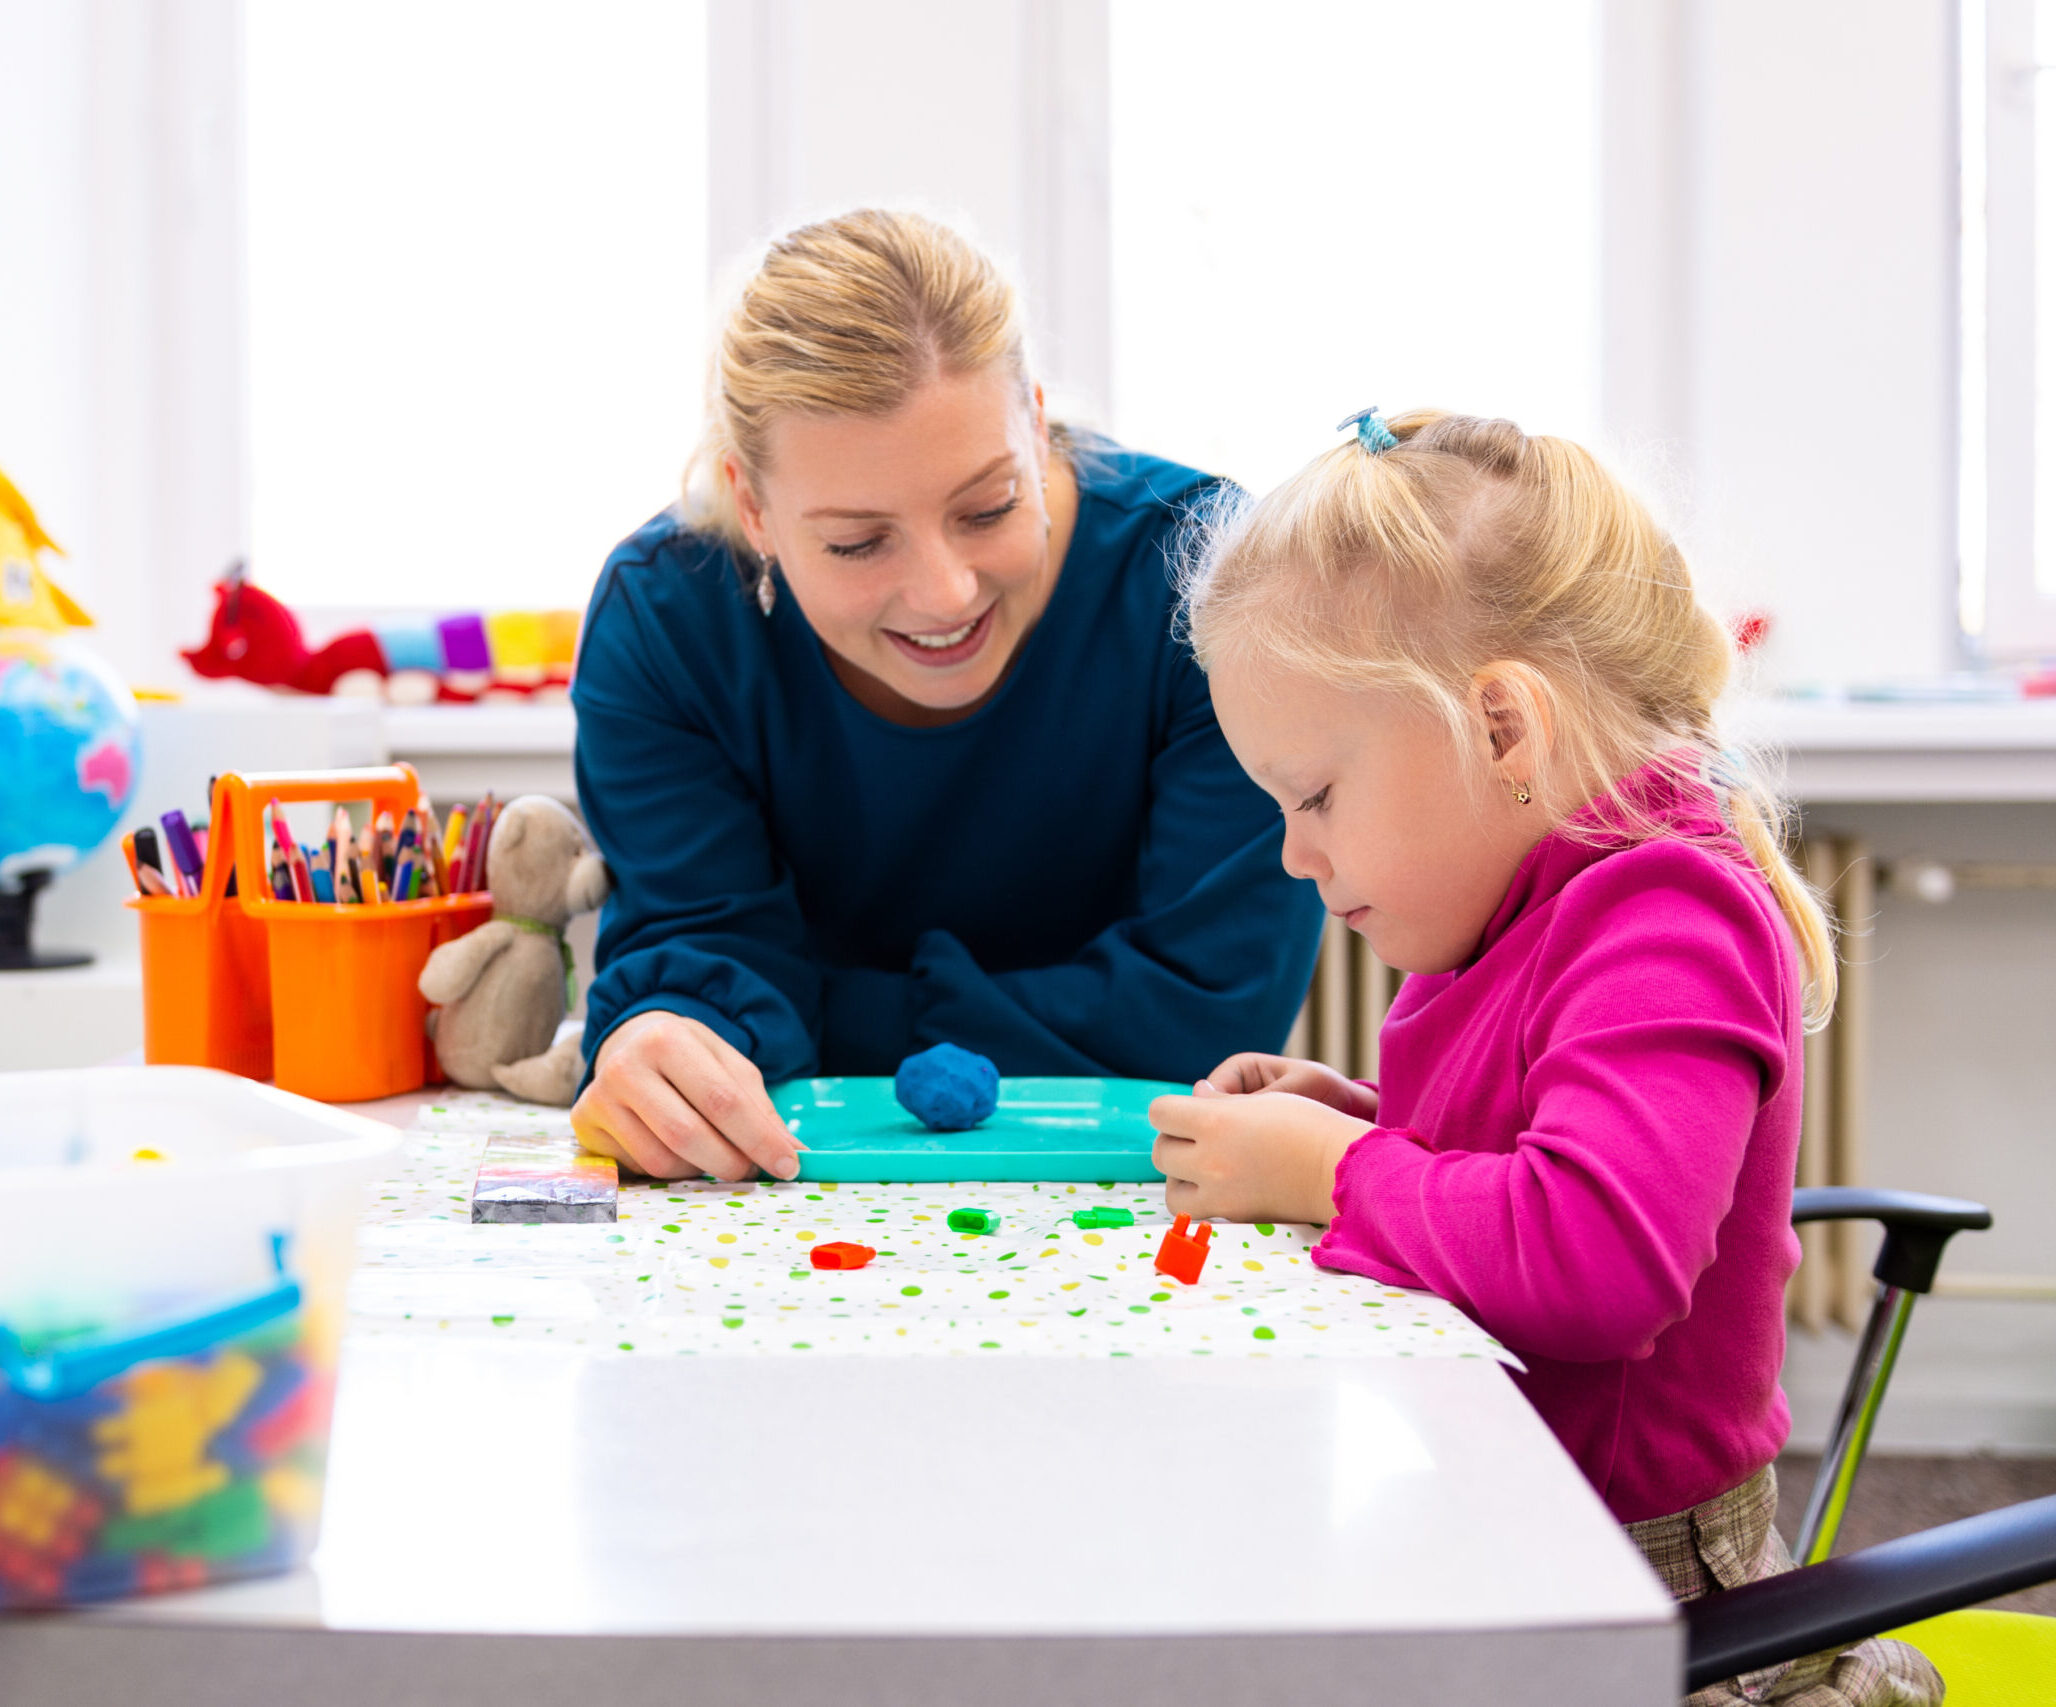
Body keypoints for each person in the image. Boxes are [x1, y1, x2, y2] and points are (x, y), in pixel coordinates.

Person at [1148, 409, 1941, 1706]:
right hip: (1510, 1532)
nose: (1293, 855)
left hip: (1652, 1609)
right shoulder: (1523, 899)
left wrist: (1337, 1171)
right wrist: (1340, 1113)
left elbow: (1591, 1255)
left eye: (1314, 795)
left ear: (1501, 728)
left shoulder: (1668, 915)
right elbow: (1522, 1141)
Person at [569, 209, 1321, 1184]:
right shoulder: (666, 622)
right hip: (794, 1202)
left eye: (989, 506)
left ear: (1037, 424)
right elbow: (698, 967)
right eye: (856, 542)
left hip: (1143, 1192)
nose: (945, 593)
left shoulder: (1212, 581)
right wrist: (665, 1042)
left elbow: (1205, 1018)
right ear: (751, 507)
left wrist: (808, 1013)